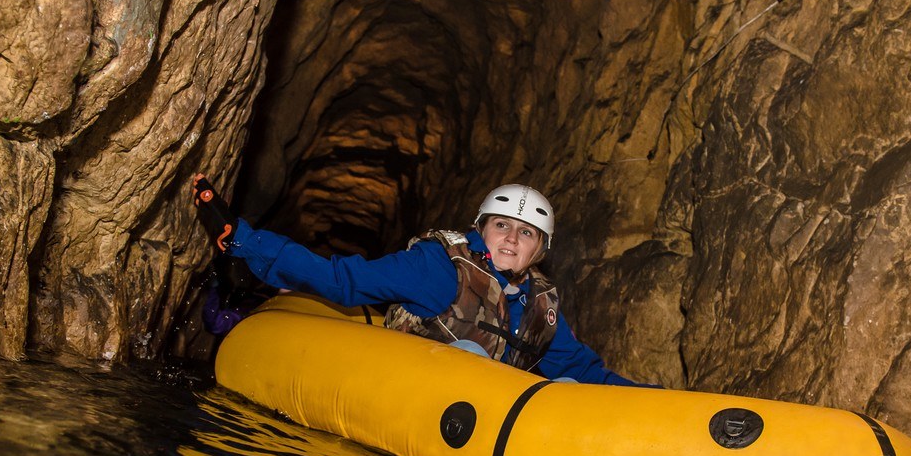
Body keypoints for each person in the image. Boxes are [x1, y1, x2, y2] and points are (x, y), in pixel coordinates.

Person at [210, 182, 645, 386]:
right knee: (470, 355)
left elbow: (584, 370)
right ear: (482, 229)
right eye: (502, 225)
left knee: (568, 387)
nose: (512, 238)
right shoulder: (440, 267)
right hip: (411, 392)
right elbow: (344, 281)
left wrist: (657, 404)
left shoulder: (539, 303)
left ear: (539, 251)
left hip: (488, 424)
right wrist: (244, 240)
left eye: (526, 233)